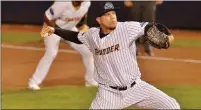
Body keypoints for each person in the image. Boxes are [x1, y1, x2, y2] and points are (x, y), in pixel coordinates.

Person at [40, 2, 180, 109]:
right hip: (108, 94)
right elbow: (76, 36)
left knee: (172, 106)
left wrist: (167, 35)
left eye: (113, 13)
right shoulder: (92, 35)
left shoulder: (127, 28)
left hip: (136, 88)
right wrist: (54, 30)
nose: (112, 17)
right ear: (99, 20)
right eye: (107, 14)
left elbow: (148, 26)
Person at [28, 1, 98, 90]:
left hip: (69, 29)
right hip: (52, 29)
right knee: (51, 53)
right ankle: (33, 83)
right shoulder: (62, 3)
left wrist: (83, 24)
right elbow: (47, 16)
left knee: (88, 51)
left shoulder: (86, 3)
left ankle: (90, 81)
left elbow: (84, 13)